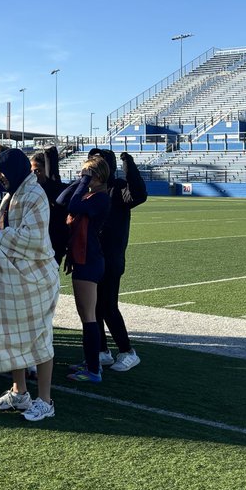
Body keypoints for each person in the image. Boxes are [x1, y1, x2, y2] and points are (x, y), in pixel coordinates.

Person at [0, 148, 60, 423]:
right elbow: (0, 228)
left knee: (40, 337)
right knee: (14, 334)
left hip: (37, 278)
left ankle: (45, 400)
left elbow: (34, 239)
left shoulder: (35, 194)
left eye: (2, 172)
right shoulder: (12, 195)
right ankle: (19, 392)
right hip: (16, 277)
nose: (0, 178)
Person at [87, 148, 146, 372]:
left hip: (111, 258)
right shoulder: (91, 189)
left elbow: (139, 194)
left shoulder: (119, 188)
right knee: (93, 307)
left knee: (108, 306)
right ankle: (102, 350)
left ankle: (127, 351)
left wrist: (128, 163)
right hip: (93, 256)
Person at [59, 155, 111, 384]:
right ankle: (92, 361)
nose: (83, 177)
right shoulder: (91, 194)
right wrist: (80, 180)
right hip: (83, 258)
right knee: (85, 316)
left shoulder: (100, 198)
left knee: (88, 317)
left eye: (87, 173)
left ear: (97, 176)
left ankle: (93, 369)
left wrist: (83, 182)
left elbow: (73, 205)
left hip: (89, 260)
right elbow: (62, 200)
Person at [29, 147, 69, 264]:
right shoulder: (29, 191)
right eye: (31, 172)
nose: (33, 175)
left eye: (37, 171)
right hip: (34, 245)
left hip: (54, 244)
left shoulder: (57, 189)